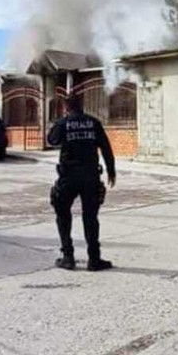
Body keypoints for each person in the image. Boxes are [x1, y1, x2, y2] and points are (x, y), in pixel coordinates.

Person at [47, 95, 116, 271]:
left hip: (68, 176)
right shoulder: (93, 122)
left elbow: (52, 140)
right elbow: (106, 147)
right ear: (82, 106)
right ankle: (94, 259)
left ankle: (68, 257)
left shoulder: (64, 123)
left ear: (66, 107)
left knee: (62, 213)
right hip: (90, 176)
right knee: (90, 217)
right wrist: (111, 171)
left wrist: (61, 122)